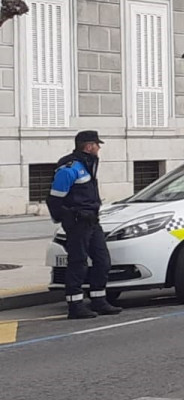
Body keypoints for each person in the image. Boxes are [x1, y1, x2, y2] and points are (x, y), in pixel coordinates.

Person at [46, 131, 121, 320]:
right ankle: (75, 305)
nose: (99, 148)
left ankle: (99, 300)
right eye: (97, 144)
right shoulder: (70, 168)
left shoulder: (88, 165)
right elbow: (54, 200)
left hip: (92, 220)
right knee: (78, 262)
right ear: (88, 146)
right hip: (78, 222)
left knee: (102, 260)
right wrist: (68, 219)